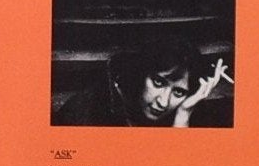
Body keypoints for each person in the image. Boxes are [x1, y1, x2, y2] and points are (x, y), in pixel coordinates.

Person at [56, 41, 231, 126]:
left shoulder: (187, 109)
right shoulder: (85, 111)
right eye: (158, 82)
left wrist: (183, 115)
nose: (163, 102)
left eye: (178, 92)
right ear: (140, 73)